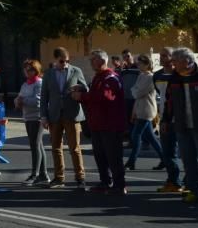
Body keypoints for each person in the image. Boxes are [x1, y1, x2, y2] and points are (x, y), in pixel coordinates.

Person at [163, 47, 198, 207]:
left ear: (186, 61)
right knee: (188, 161)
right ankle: (194, 192)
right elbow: (168, 101)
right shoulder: (174, 79)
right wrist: (165, 120)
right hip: (182, 127)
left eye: (175, 61)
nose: (173, 64)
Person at [74, 50, 127, 195]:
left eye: (93, 59)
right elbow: (95, 95)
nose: (91, 62)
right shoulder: (98, 77)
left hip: (111, 124)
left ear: (102, 60)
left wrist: (83, 96)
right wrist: (83, 91)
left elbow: (106, 97)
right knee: (100, 156)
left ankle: (119, 185)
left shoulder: (111, 78)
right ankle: (105, 182)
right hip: (97, 124)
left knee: (113, 156)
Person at [40, 47, 88, 190]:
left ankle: (80, 178)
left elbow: (86, 88)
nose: (65, 64)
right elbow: (44, 97)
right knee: (56, 148)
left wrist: (79, 87)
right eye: (62, 61)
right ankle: (59, 178)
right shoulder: (48, 74)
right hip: (54, 115)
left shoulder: (76, 70)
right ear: (55, 60)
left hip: (72, 114)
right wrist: (43, 116)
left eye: (67, 61)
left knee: (75, 148)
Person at [125, 54, 163, 172]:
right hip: (140, 109)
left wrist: (135, 91)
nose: (138, 65)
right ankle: (165, 159)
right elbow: (135, 91)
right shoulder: (141, 75)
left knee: (135, 136)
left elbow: (137, 92)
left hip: (147, 110)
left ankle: (131, 161)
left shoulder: (150, 77)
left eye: (140, 63)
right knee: (151, 138)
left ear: (147, 64)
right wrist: (134, 111)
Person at [153, 47, 182, 192]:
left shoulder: (180, 75)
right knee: (168, 153)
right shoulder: (157, 76)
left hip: (181, 119)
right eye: (161, 55)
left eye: (166, 55)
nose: (162, 58)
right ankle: (173, 182)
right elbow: (161, 95)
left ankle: (190, 183)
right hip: (165, 119)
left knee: (187, 154)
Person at [15, 60, 49, 186]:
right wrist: (17, 101)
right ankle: (44, 175)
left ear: (36, 70)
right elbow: (19, 97)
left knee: (35, 145)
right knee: (38, 145)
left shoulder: (39, 83)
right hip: (28, 117)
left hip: (37, 117)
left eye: (29, 69)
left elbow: (38, 101)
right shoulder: (25, 84)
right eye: (25, 69)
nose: (26, 72)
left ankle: (34, 175)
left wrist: (23, 101)